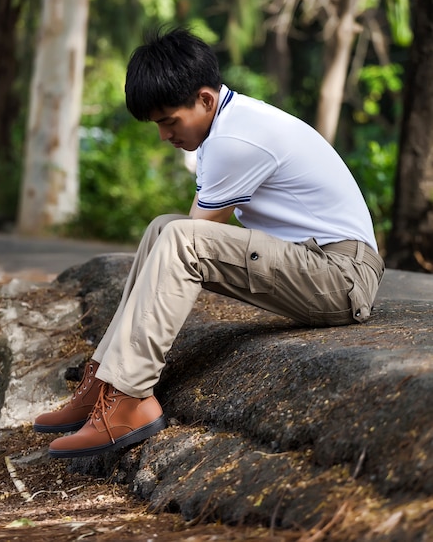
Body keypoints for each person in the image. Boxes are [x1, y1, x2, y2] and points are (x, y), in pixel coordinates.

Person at [34, 27, 384, 458]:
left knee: (180, 237)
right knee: (165, 227)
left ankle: (129, 397)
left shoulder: (235, 140)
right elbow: (187, 231)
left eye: (168, 121)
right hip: (317, 264)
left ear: (204, 99)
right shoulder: (229, 124)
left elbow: (195, 238)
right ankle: (104, 381)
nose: (164, 136)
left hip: (342, 277)